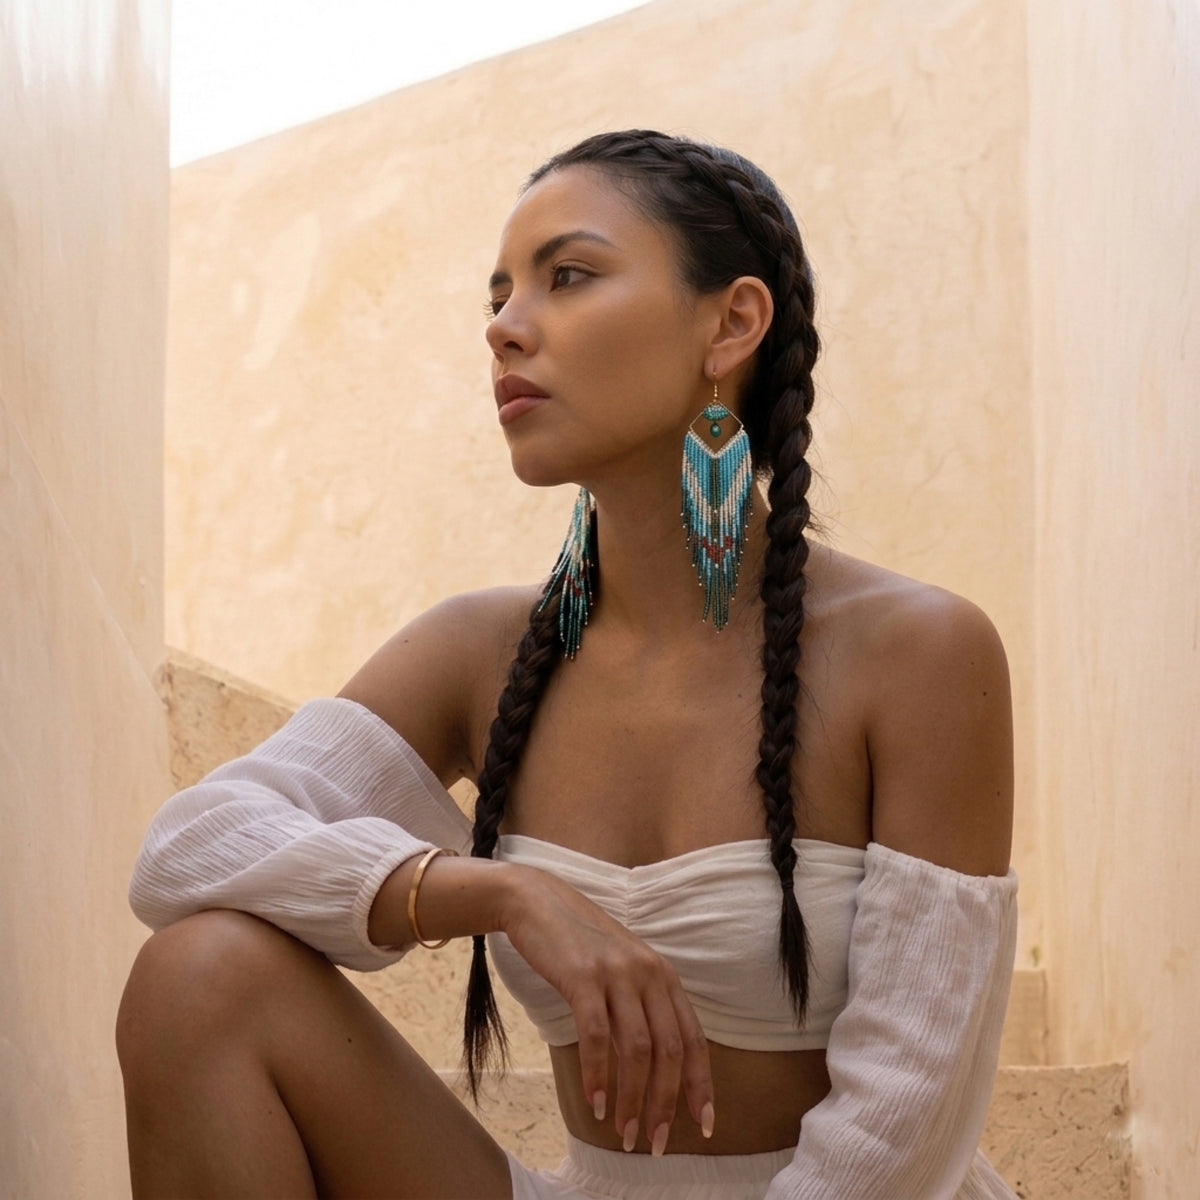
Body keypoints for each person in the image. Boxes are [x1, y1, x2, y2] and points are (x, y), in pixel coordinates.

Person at [117, 129, 1019, 1199]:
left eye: (569, 277)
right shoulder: (481, 652)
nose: (505, 329)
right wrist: (500, 894)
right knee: (199, 978)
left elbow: (907, 1112)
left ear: (730, 323)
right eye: (498, 297)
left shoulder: (918, 653)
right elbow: (184, 852)